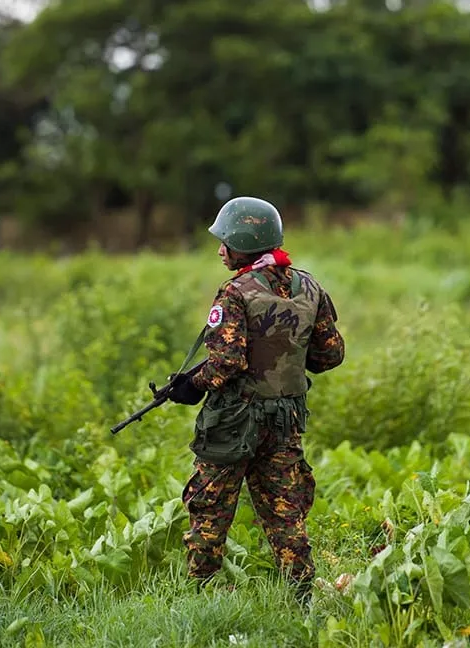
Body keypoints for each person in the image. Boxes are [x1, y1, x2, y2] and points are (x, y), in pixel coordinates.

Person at [167, 196, 345, 606]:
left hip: (234, 420)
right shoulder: (310, 286)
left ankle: (197, 594)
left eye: (225, 241)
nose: (219, 250)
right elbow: (331, 355)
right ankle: (302, 597)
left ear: (243, 243)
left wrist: (192, 385)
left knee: (210, 506)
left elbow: (226, 363)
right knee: (285, 511)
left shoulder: (235, 292)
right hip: (284, 420)